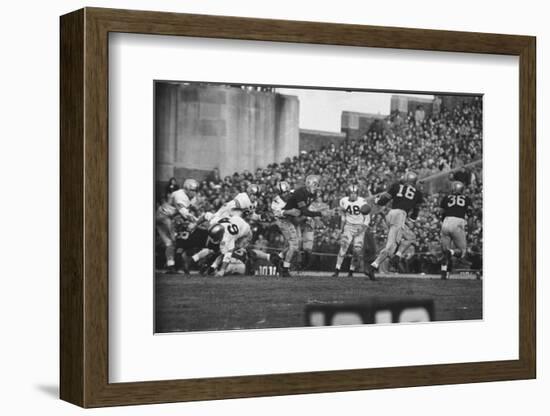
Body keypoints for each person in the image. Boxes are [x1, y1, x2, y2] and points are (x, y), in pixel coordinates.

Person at [366, 171, 423, 280]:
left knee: (411, 237)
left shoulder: (396, 186)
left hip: (391, 214)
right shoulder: (418, 193)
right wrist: (412, 219)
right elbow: (415, 213)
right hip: (400, 216)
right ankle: (372, 267)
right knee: (391, 247)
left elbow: (383, 200)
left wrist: (377, 200)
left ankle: (397, 256)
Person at [276, 175, 330, 277]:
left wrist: (308, 218)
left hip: (294, 219)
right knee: (294, 245)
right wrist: (319, 214)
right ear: (310, 184)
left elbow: (303, 211)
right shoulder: (300, 193)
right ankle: (284, 268)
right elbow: (305, 211)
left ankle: (279, 258)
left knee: (295, 243)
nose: (317, 187)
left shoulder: (312, 194)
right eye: (316, 185)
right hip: (285, 220)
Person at [155, 178, 199, 272]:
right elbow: (184, 212)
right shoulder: (180, 195)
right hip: (164, 216)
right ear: (186, 188)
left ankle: (170, 265)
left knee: (169, 243)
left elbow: (190, 210)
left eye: (195, 190)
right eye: (192, 190)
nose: (194, 192)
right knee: (176, 240)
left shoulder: (192, 197)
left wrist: (195, 214)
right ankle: (181, 265)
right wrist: (198, 220)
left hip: (165, 217)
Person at [332, 184, 370, 277]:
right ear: (348, 193)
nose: (353, 195)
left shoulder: (363, 201)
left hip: (359, 227)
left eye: (355, 193)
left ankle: (351, 271)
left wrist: (362, 230)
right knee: (343, 248)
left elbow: (367, 218)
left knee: (357, 251)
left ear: (357, 194)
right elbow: (343, 216)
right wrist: (341, 228)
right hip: (348, 226)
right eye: (351, 193)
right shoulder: (343, 201)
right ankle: (337, 270)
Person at [438, 181, 473, 279]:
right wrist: (469, 230)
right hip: (458, 222)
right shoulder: (467, 199)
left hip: (446, 221)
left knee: (445, 250)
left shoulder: (446, 198)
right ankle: (451, 253)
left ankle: (444, 272)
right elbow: (470, 215)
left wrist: (444, 223)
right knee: (461, 251)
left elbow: (441, 213)